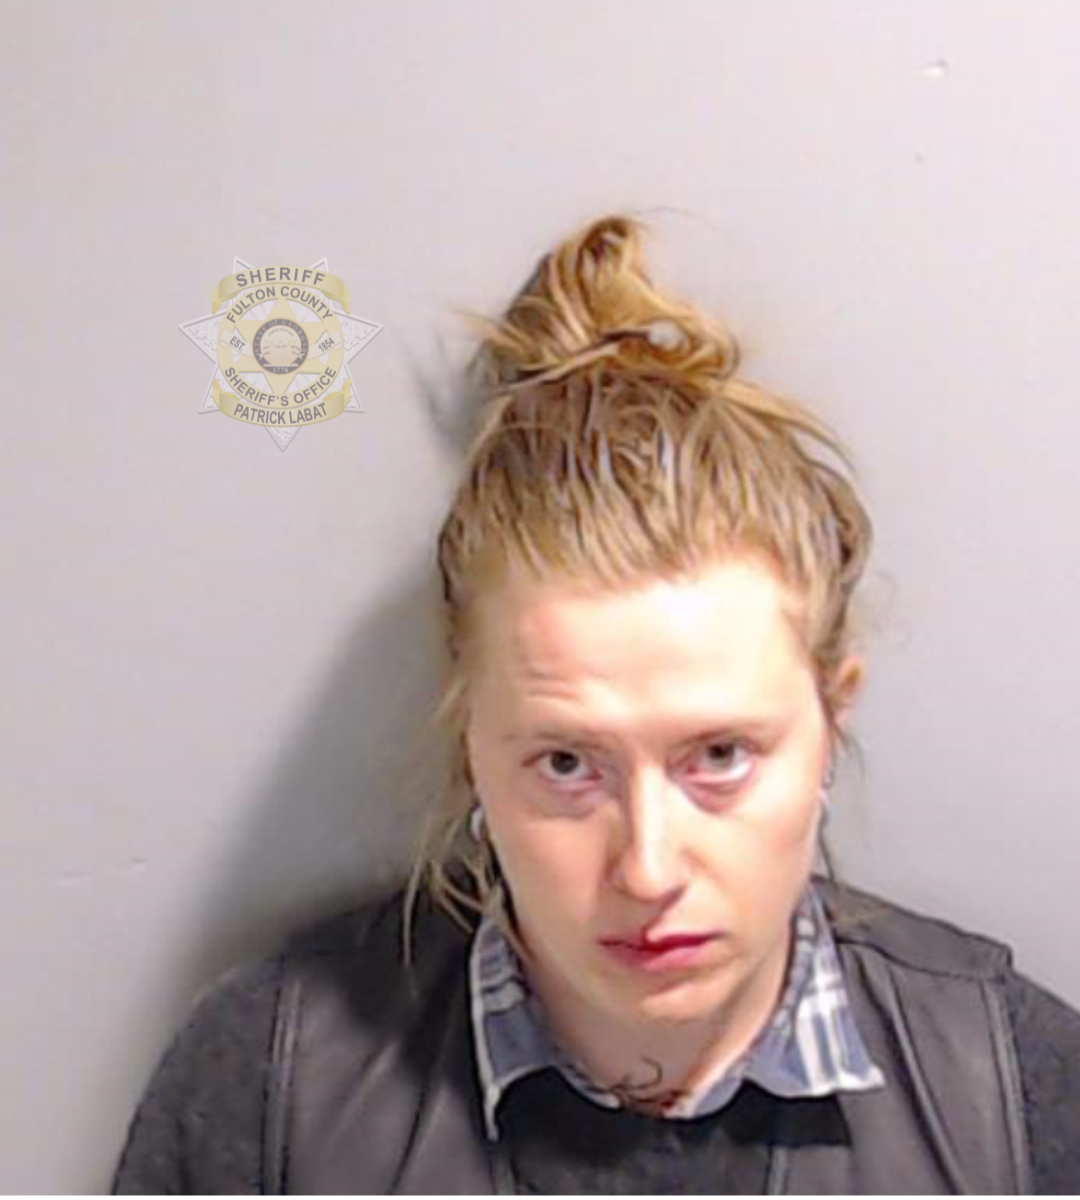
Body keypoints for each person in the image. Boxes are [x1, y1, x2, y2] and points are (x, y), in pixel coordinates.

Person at [112, 213, 1080, 1195]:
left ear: (831, 721)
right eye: (568, 764)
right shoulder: (273, 1087)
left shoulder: (1015, 1092)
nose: (648, 869)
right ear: (472, 747)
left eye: (721, 756)